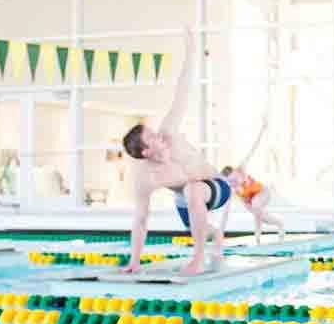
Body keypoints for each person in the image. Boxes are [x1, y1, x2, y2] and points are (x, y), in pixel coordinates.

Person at [121, 45, 227, 276]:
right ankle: (216, 234)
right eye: (151, 137)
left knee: (192, 190)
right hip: (185, 199)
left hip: (216, 186)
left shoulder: (169, 130)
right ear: (146, 153)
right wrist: (134, 261)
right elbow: (140, 220)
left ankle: (197, 260)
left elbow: (182, 92)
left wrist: (190, 52)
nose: (158, 134)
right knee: (199, 224)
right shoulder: (145, 178)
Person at [221, 117, 285, 243]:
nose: (234, 182)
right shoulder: (234, 189)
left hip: (263, 192)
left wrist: (262, 129)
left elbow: (253, 148)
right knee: (260, 215)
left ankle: (258, 234)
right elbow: (226, 211)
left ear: (235, 171)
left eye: (234, 179)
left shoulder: (241, 168)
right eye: (231, 181)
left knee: (256, 205)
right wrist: (220, 231)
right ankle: (279, 224)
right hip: (251, 199)